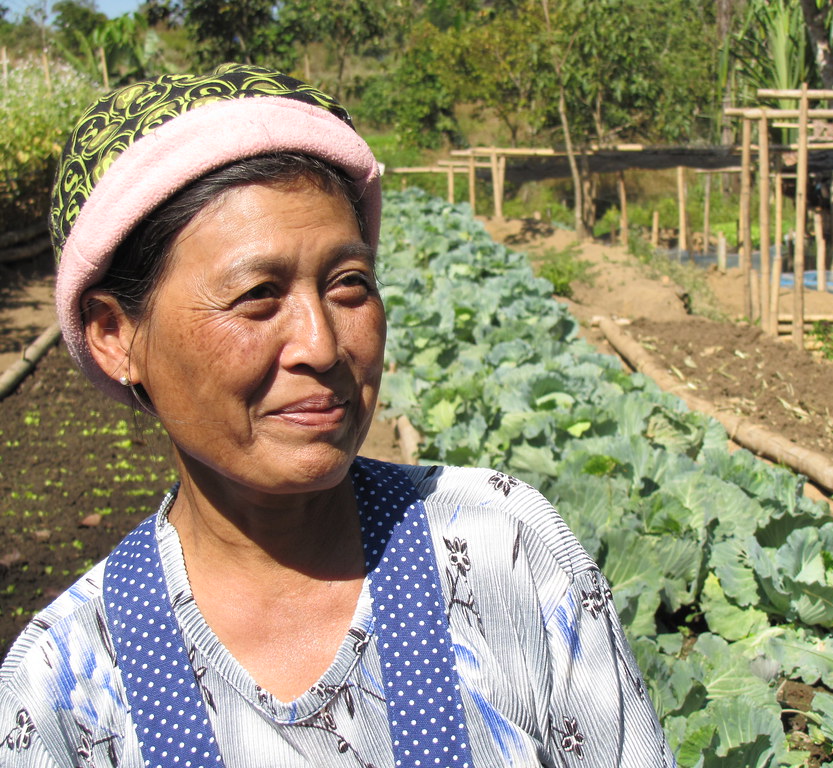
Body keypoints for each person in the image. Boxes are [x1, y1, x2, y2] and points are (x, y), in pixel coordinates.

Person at [0, 64, 674, 767]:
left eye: (348, 284)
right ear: (115, 336)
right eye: (258, 295)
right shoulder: (65, 695)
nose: (322, 345)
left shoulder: (506, 553)